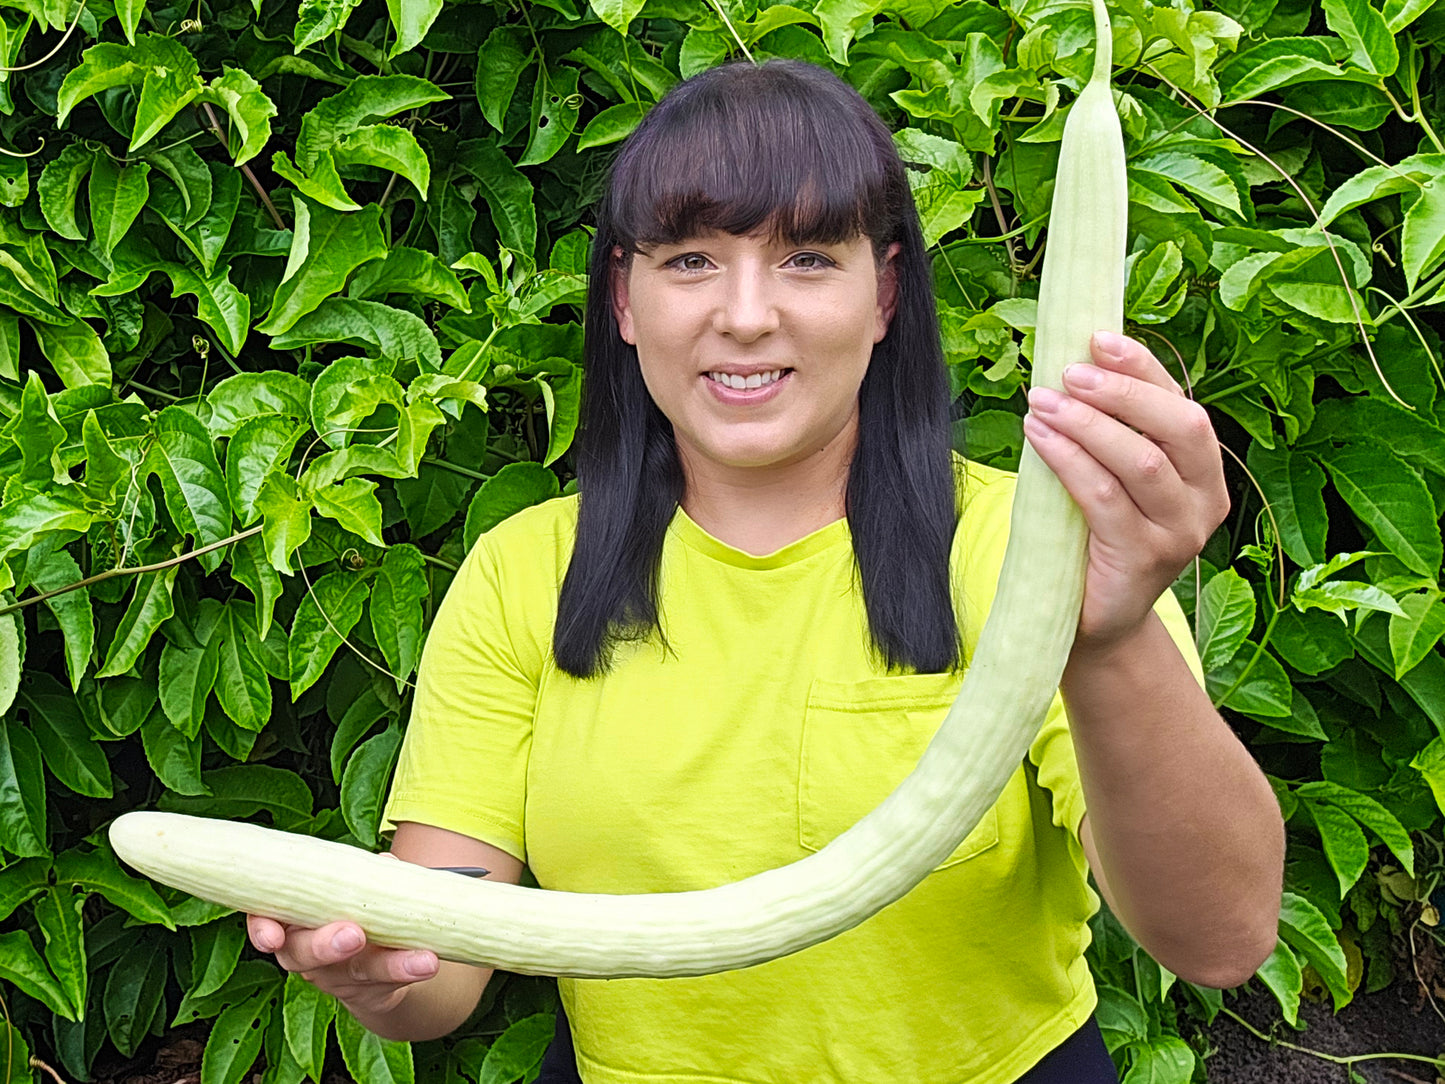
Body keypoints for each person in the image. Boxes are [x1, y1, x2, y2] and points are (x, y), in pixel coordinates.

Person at [247, 57, 1286, 1084]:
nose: (744, 314)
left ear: (883, 294)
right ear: (623, 299)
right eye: (690, 260)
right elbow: (446, 950)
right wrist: (381, 970)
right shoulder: (524, 574)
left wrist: (1105, 644)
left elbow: (1218, 937)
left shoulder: (1028, 550)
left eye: (805, 259)